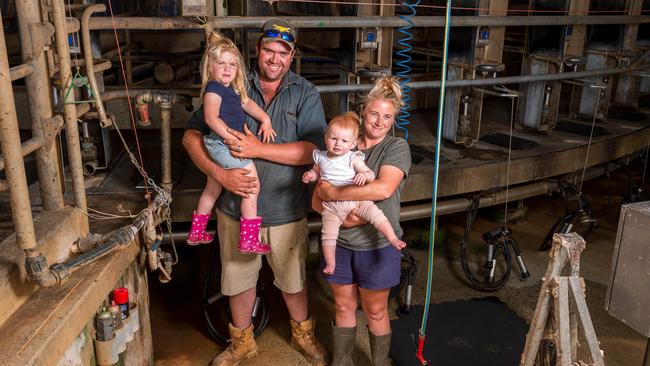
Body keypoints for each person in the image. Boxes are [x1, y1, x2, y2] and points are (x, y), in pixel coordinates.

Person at [182, 19, 328, 366]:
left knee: (292, 279)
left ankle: (302, 334)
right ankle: (242, 341)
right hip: (234, 205)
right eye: (268, 51)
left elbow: (313, 150)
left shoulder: (304, 92)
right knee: (237, 278)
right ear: (257, 51)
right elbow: (191, 135)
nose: (274, 59)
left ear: (291, 56)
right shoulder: (229, 79)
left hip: (285, 207)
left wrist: (255, 149)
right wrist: (219, 174)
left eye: (282, 53)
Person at [313, 75, 411, 366]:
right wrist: (342, 218)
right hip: (340, 243)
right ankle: (341, 362)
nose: (380, 122)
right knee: (343, 305)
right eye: (374, 114)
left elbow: (383, 188)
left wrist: (336, 191)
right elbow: (316, 201)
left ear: (393, 120)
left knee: (376, 311)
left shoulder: (395, 148)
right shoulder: (340, 145)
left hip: (378, 244)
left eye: (387, 117)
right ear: (363, 112)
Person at [187, 31, 276, 256]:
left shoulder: (233, 89)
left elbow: (248, 104)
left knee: (212, 187)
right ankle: (248, 240)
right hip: (223, 143)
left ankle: (196, 232)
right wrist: (231, 136)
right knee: (251, 186)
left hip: (221, 143)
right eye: (221, 63)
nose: (227, 69)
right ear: (210, 67)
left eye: (233, 64)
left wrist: (265, 118)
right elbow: (210, 118)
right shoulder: (214, 89)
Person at [302, 112, 406, 275]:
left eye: (344, 141)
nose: (338, 144)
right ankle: (331, 263)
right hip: (332, 206)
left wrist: (363, 175)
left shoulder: (353, 158)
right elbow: (316, 173)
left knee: (376, 215)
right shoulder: (321, 157)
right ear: (326, 138)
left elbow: (370, 174)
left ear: (352, 144)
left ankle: (392, 238)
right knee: (328, 234)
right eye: (333, 139)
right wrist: (311, 175)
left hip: (356, 200)